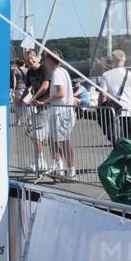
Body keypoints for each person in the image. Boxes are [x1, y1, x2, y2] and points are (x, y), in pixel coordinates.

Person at [42, 49, 76, 179]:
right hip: (61, 111)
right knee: (53, 140)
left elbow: (61, 93)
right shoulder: (63, 72)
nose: (44, 62)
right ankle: (59, 166)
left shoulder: (57, 73)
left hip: (61, 112)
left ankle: (69, 170)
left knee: (63, 141)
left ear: (50, 60)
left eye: (45, 59)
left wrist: (46, 101)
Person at [98, 50, 131, 146]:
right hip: (130, 111)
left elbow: (103, 94)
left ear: (112, 60)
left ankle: (122, 158)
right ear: (124, 60)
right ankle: (127, 158)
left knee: (117, 139)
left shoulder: (106, 75)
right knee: (127, 137)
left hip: (114, 111)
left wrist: (100, 108)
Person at [20, 50, 51, 172]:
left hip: (46, 103)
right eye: (28, 61)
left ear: (37, 58)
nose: (31, 62)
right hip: (37, 105)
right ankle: (39, 159)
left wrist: (33, 99)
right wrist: (21, 99)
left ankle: (41, 160)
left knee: (36, 134)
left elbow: (45, 86)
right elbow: (28, 87)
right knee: (33, 133)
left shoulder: (44, 69)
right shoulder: (29, 72)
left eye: (32, 59)